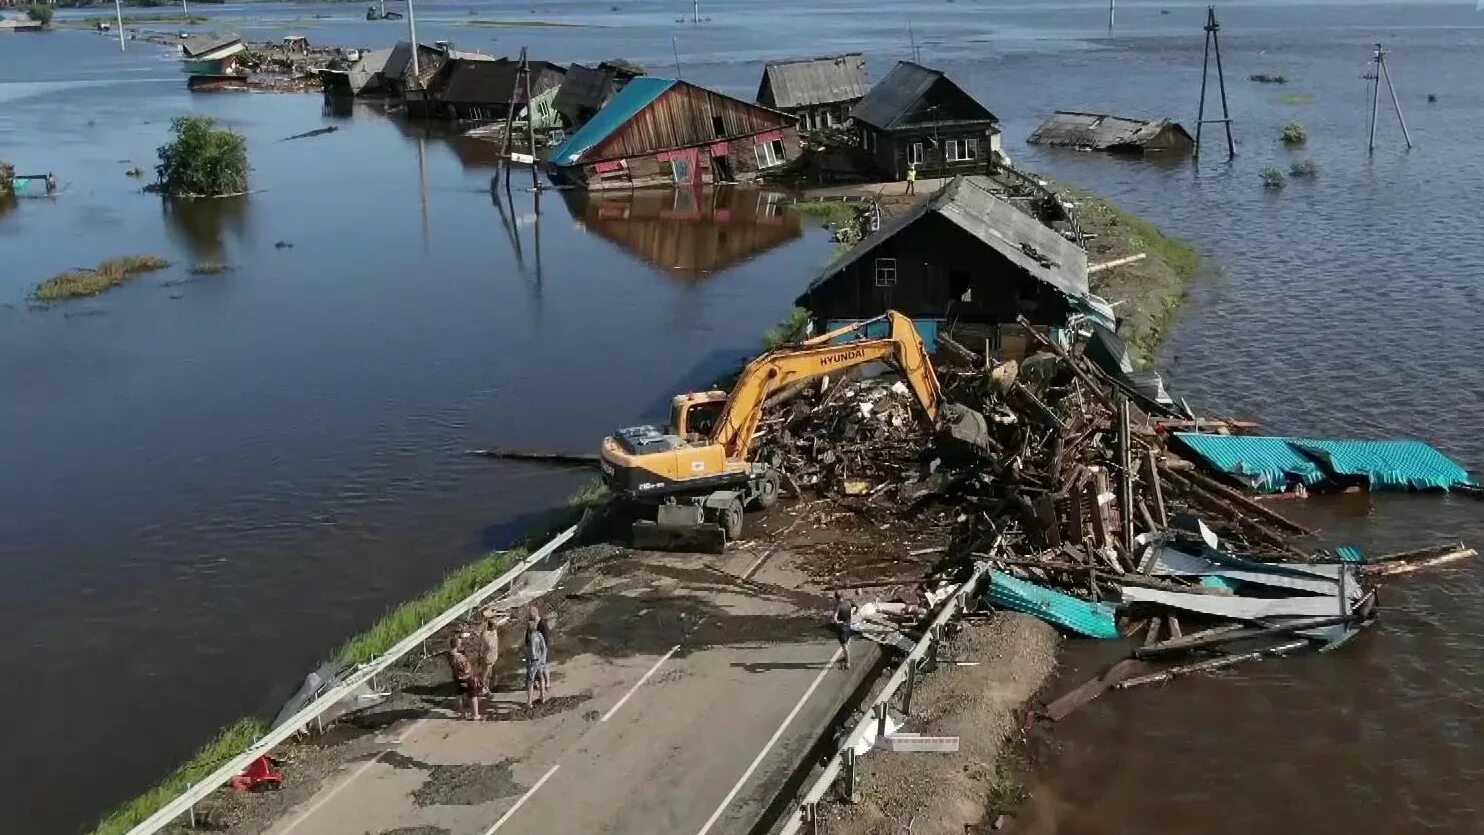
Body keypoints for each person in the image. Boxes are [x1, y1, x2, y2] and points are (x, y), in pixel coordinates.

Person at [447, 636, 481, 720]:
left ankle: (462, 713)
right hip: (466, 678)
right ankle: (475, 714)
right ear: (458, 645)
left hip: (457, 678)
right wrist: (473, 676)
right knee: (473, 695)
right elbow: (466, 669)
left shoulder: (449, 655)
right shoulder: (460, 657)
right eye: (460, 643)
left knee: (460, 695)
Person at [525, 611, 550, 707]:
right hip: (540, 661)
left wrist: (532, 660)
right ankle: (542, 697)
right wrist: (542, 658)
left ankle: (529, 702)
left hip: (533, 662)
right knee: (540, 678)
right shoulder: (539, 635)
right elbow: (544, 647)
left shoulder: (531, 638)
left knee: (530, 681)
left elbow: (532, 651)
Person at [832, 591, 856, 670]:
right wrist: (852, 614)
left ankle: (848, 663)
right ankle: (846, 658)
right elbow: (856, 607)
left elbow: (835, 619)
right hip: (849, 625)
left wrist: (839, 622)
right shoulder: (848, 602)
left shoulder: (838, 606)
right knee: (848, 641)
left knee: (844, 645)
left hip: (842, 628)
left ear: (836, 598)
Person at [477, 616, 500, 694]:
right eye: (494, 625)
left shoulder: (494, 632)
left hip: (493, 657)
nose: (495, 627)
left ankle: (487, 687)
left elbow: (497, 624)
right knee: (485, 673)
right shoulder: (485, 635)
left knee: (489, 674)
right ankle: (483, 688)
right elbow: (484, 645)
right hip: (488, 657)